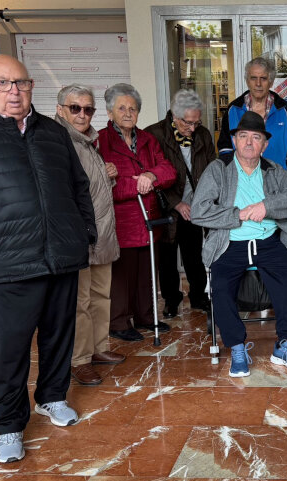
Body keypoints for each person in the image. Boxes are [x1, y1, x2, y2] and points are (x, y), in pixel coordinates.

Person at [0, 55, 96, 463]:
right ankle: (9, 424)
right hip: (10, 260)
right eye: (4, 83)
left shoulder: (53, 132)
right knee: (9, 348)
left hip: (61, 254)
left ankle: (53, 397)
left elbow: (79, 188)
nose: (14, 91)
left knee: (59, 334)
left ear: (31, 87)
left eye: (21, 83)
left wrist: (84, 235)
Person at [191, 111, 287, 377]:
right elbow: (198, 211)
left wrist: (266, 206)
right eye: (243, 136)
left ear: (264, 144)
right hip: (230, 243)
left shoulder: (271, 170)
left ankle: (285, 344)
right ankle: (236, 347)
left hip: (267, 240)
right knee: (220, 286)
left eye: (255, 137)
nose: (248, 142)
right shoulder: (218, 169)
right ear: (234, 140)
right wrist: (238, 215)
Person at [54, 84, 125, 387]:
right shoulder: (57, 142)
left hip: (101, 235)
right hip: (77, 238)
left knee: (99, 296)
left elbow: (92, 191)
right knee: (79, 302)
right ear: (61, 110)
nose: (83, 114)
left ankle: (98, 348)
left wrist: (108, 175)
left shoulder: (87, 141)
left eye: (88, 109)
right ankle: (79, 360)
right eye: (75, 108)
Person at [98, 83, 177, 341]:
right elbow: (105, 185)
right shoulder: (101, 141)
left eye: (133, 108)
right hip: (122, 222)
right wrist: (138, 184)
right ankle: (119, 322)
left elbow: (168, 170)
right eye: (121, 108)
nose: (128, 113)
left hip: (150, 220)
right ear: (110, 113)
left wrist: (150, 175)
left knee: (146, 273)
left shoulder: (147, 139)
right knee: (122, 276)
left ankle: (145, 317)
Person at [145, 89, 215, 317]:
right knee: (167, 256)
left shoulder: (203, 135)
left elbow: (211, 170)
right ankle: (171, 300)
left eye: (197, 122)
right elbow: (150, 174)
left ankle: (198, 296)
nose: (192, 128)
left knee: (194, 255)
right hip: (166, 208)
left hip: (195, 207)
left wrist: (204, 201)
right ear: (174, 116)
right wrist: (176, 203)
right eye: (188, 123)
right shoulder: (154, 135)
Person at [218, 57, 287, 176]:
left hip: (277, 181)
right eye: (253, 78)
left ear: (271, 82)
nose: (258, 84)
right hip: (242, 181)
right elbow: (225, 149)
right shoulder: (234, 110)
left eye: (263, 78)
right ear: (247, 80)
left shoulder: (284, 110)